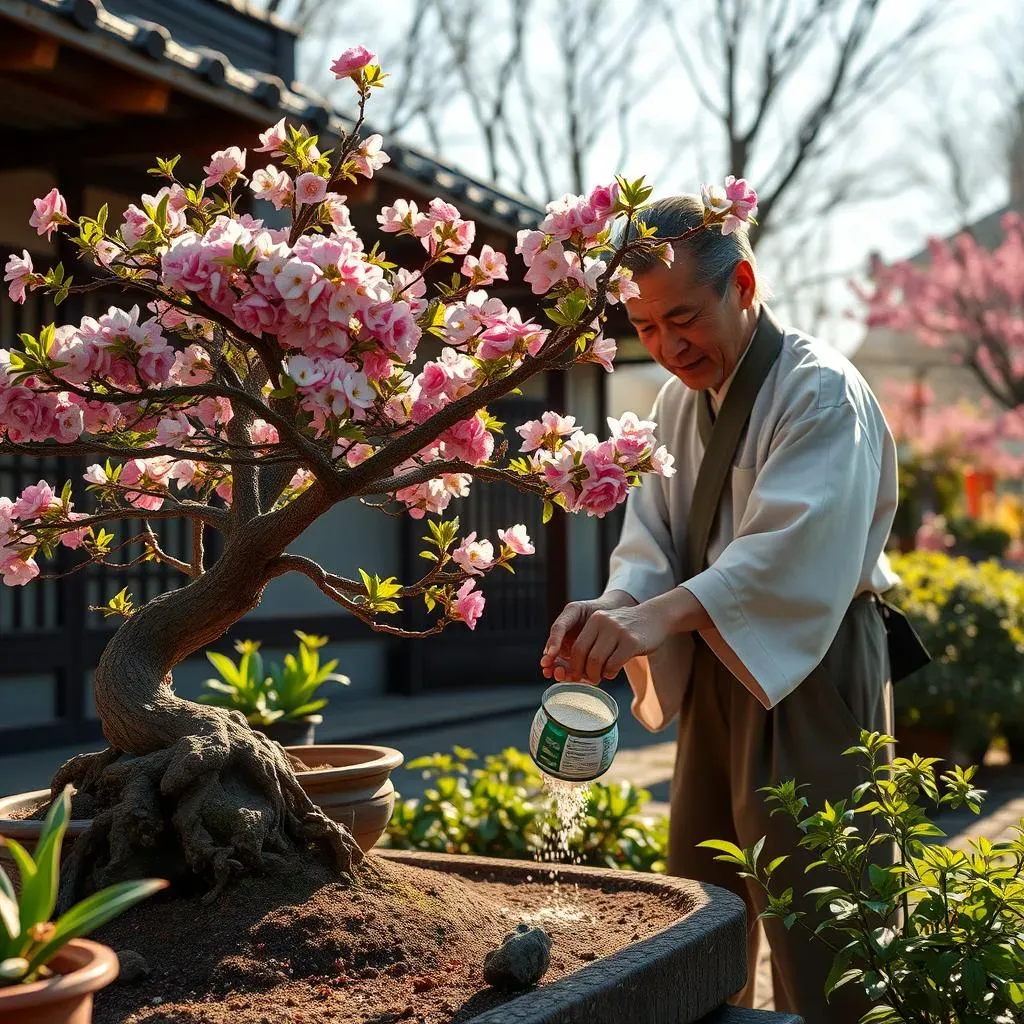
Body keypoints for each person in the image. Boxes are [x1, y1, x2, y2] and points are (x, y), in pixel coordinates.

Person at [540, 195, 899, 1024]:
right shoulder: (675, 404)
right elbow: (652, 541)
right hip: (714, 659)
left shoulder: (819, 392)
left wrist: (654, 616)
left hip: (816, 664)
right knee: (705, 904)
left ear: (742, 283)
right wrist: (611, 612)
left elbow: (790, 553)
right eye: (647, 328)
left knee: (826, 916)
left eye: (683, 319)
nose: (666, 348)